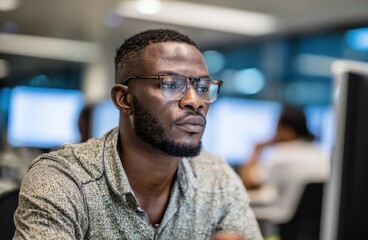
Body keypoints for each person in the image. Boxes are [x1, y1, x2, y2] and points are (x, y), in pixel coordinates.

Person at [13, 29, 262, 240]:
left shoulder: (216, 177)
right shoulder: (64, 179)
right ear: (124, 99)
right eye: (171, 84)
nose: (195, 101)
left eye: (203, 87)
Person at [239, 106, 330, 237]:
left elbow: (247, 183)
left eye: (277, 128)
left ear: (288, 130)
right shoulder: (321, 154)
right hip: (315, 229)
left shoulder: (281, 155)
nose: (275, 133)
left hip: (284, 224)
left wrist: (256, 149)